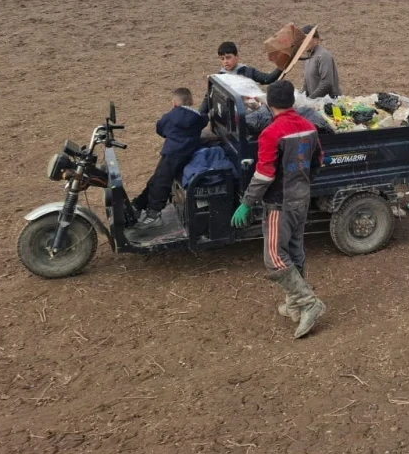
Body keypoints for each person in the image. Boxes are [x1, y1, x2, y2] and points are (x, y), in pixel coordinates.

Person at [230, 80, 326, 339]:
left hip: (279, 204)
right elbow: (318, 161)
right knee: (294, 251)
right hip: (301, 199)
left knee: (274, 258)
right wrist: (303, 184)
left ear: (268, 104)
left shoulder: (271, 133)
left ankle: (308, 302)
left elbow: (264, 174)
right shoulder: (309, 128)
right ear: (292, 102)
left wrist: (246, 203)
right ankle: (294, 304)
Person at [132, 88, 208, 229]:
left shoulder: (170, 116)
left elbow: (160, 128)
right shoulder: (197, 118)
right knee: (156, 179)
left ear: (173, 103)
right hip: (187, 154)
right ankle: (138, 204)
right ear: (191, 101)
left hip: (171, 153)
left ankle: (154, 213)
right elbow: (204, 118)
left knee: (161, 181)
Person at [200, 41, 282, 115]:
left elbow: (268, 79)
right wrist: (199, 115)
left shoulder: (249, 71)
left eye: (228, 57)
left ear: (237, 56)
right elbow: (208, 99)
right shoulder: (218, 79)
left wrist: (282, 66)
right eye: (222, 59)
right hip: (230, 117)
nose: (225, 61)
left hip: (251, 111)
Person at [300, 25, 341, 99]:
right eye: (302, 39)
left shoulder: (323, 55)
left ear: (316, 40)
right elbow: (306, 83)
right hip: (316, 102)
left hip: (329, 102)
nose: (304, 42)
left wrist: (310, 99)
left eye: (307, 38)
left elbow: (327, 83)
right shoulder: (307, 58)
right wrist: (301, 97)